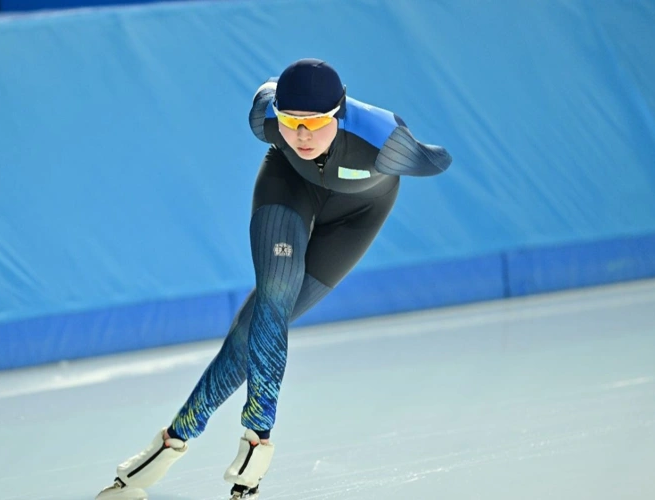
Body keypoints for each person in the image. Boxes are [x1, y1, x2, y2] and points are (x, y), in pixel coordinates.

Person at [96, 58, 453, 500]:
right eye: (291, 122)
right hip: (289, 187)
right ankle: (257, 440)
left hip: (357, 215)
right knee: (274, 299)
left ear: (338, 114)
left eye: (315, 123)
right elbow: (269, 92)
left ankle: (171, 441)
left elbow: (438, 159)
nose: (301, 136)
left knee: (254, 330)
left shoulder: (383, 140)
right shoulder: (265, 117)